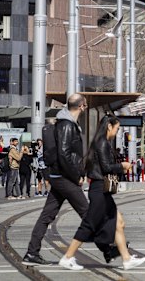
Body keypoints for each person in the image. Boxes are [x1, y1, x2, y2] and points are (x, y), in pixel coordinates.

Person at [59, 115, 145, 271]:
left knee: (119, 223)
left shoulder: (102, 143)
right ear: (109, 127)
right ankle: (67, 257)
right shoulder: (102, 143)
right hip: (99, 190)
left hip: (102, 190)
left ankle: (126, 259)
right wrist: (122, 166)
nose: (117, 132)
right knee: (88, 225)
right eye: (117, 128)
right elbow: (106, 167)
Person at [22, 93, 90, 266]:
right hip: (65, 177)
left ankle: (32, 252)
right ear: (81, 106)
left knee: (47, 215)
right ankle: (114, 247)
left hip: (58, 176)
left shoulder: (65, 123)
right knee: (88, 213)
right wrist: (77, 176)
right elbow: (65, 154)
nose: (86, 107)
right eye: (86, 105)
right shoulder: (67, 125)